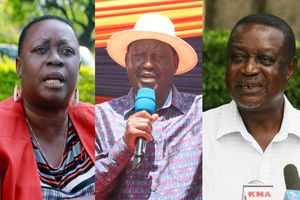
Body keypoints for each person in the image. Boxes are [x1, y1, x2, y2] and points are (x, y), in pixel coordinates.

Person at [95, 13, 202, 199]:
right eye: (138, 56)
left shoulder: (199, 113)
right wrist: (124, 146)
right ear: (127, 61)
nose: (147, 64)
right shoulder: (101, 117)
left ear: (175, 63)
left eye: (159, 56)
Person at [203, 13, 299, 199]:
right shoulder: (198, 134)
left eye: (265, 59)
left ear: (289, 69)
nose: (248, 69)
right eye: (238, 57)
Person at [0, 16, 95, 200]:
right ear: (19, 66)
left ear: (79, 67)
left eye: (66, 51)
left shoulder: (98, 121)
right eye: (41, 49)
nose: (55, 59)